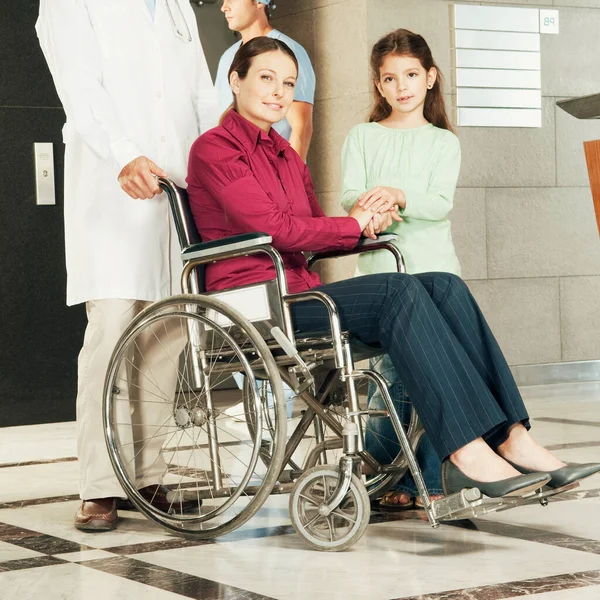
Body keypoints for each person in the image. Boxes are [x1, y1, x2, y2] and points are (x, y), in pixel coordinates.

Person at [186, 36, 600, 500]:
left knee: (443, 286)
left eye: (288, 83)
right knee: (398, 291)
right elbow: (276, 229)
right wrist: (354, 223)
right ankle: (464, 450)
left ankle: (512, 438)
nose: (279, 92)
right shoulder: (214, 149)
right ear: (235, 80)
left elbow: (313, 226)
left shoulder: (286, 156)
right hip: (253, 302)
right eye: (266, 78)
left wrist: (367, 225)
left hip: (296, 293)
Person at [36, 0, 219, 531]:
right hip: (116, 188)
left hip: (179, 190)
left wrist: (214, 166)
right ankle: (101, 485)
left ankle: (151, 474)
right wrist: (123, 153)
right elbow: (80, 85)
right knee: (113, 330)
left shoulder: (177, 6)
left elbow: (202, 96)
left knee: (167, 333)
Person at [340, 29, 460, 510]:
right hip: (381, 271)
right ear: (379, 85)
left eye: (411, 75)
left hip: (435, 271)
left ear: (430, 77)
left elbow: (439, 204)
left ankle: (427, 479)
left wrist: (399, 197)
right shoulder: (363, 136)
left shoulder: (443, 142)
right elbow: (349, 195)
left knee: (435, 374)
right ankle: (383, 474)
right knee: (391, 376)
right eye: (390, 78)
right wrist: (374, 208)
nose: (402, 86)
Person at [216, 0, 315, 161]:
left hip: (273, 171)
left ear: (259, 2)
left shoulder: (287, 51)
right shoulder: (227, 58)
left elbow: (301, 128)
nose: (224, 7)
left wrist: (291, 181)